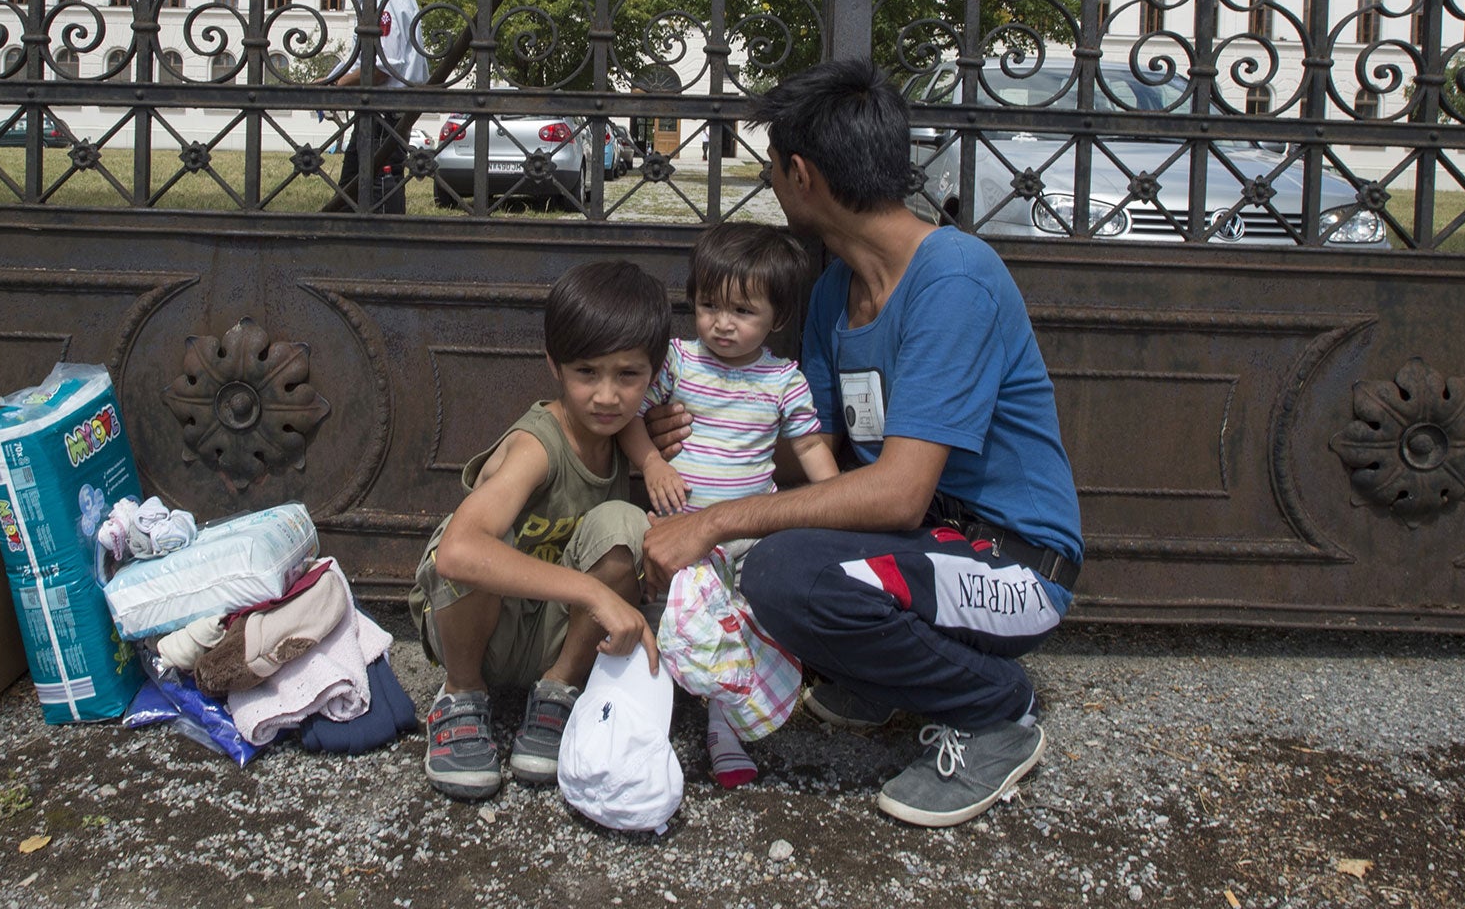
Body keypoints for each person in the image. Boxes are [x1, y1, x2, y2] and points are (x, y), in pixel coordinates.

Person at [642, 58, 1081, 829]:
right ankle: (888, 675)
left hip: (1012, 564)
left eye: (774, 168)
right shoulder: (837, 292)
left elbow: (897, 491)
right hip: (915, 545)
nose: (773, 185)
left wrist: (710, 521)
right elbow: (809, 456)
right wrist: (697, 422)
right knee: (771, 559)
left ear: (800, 173)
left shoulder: (954, 278)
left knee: (779, 570)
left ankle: (995, 713)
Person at [408, 260, 669, 802]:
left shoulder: (625, 435)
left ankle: (558, 690)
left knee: (625, 524)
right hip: (484, 632)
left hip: (554, 638)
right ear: (554, 364)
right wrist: (595, 591)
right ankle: (459, 696)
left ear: (653, 372)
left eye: (628, 376)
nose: (606, 396)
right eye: (587, 373)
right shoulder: (538, 445)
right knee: (472, 543)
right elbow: (459, 555)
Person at [617, 221, 837, 788]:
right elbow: (634, 421)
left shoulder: (782, 379)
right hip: (681, 527)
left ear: (777, 319)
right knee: (673, 617)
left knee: (737, 624)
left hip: (750, 531)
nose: (721, 322)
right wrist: (652, 462)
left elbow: (811, 446)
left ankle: (724, 723)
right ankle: (648, 718)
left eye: (742, 311)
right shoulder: (679, 361)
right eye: (709, 304)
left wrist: (835, 505)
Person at [321, 0, 427, 213]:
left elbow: (384, 67)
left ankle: (386, 254)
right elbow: (368, 57)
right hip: (377, 110)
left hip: (386, 111)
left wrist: (336, 85)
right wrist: (335, 76)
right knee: (352, 195)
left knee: (377, 195)